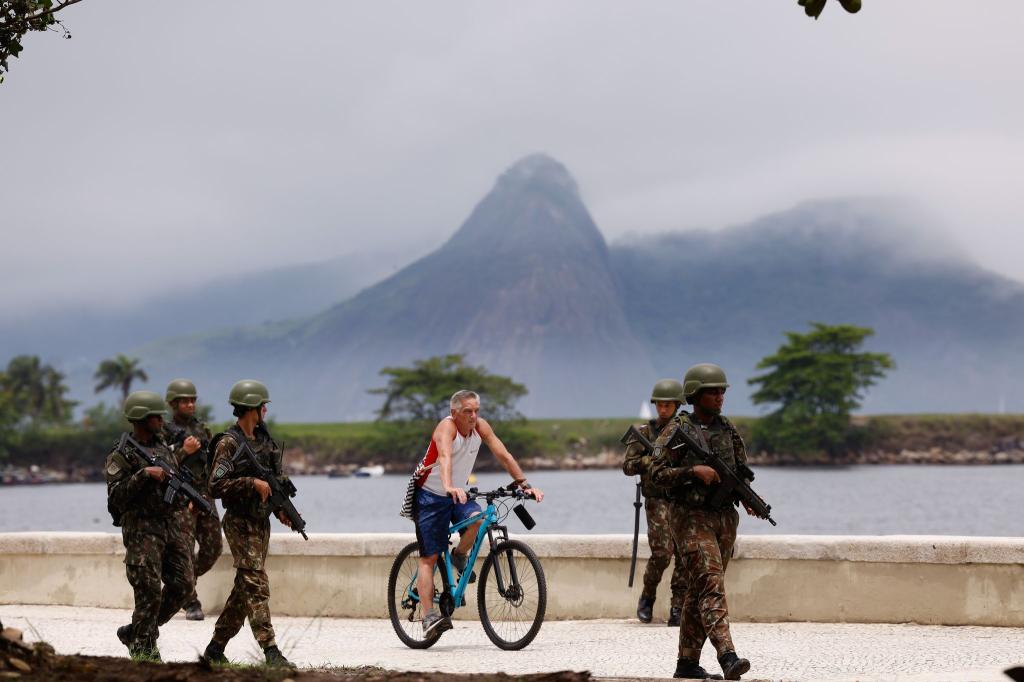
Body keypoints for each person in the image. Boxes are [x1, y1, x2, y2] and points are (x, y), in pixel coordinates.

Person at [649, 363, 754, 681]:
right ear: (695, 394)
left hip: (723, 519)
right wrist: (692, 472)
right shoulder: (677, 431)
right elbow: (656, 474)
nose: (720, 396)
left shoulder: (727, 429)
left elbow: (739, 471)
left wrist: (748, 498)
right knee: (711, 583)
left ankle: (687, 664)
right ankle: (728, 656)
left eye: (722, 390)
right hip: (690, 518)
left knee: (697, 590)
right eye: (713, 391)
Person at [413, 389, 544, 636]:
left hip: (458, 493)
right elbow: (444, 456)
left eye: (476, 411)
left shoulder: (480, 428)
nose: (473, 416)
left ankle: (459, 555)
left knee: (478, 520)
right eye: (467, 412)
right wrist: (449, 485)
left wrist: (524, 485)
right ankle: (428, 616)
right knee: (428, 558)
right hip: (431, 495)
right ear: (454, 413)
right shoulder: (447, 427)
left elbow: (504, 455)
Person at [202, 380, 294, 668]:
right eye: (262, 405)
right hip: (239, 523)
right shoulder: (228, 443)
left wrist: (281, 510)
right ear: (252, 408)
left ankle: (216, 648)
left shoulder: (264, 441)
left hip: (260, 523)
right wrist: (250, 483)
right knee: (256, 584)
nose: (265, 409)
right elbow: (214, 485)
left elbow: (273, 482)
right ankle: (271, 651)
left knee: (244, 589)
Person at [106, 391, 194, 661]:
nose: (161, 421)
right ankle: (144, 650)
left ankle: (136, 631)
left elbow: (174, 478)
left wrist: (185, 498)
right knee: (148, 592)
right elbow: (115, 497)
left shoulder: (163, 447)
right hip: (142, 531)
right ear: (141, 418)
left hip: (170, 526)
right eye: (156, 416)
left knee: (183, 585)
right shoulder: (121, 454)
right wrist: (143, 475)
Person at [622, 379, 688, 625]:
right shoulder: (645, 433)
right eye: (659, 405)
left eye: (668, 405)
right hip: (657, 499)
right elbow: (628, 466)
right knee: (661, 552)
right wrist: (649, 462)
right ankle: (647, 597)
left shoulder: (685, 432)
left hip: (681, 498)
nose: (663, 410)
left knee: (683, 554)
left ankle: (677, 607)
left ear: (676, 406)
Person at [163, 378, 222, 622]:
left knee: (213, 548)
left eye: (192, 400)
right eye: (185, 401)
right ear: (174, 404)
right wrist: (183, 451)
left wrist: (209, 494)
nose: (190, 404)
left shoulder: (202, 430)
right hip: (179, 500)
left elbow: (210, 466)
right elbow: (161, 466)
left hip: (203, 497)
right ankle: (190, 602)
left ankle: (183, 582)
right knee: (184, 552)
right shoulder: (163, 431)